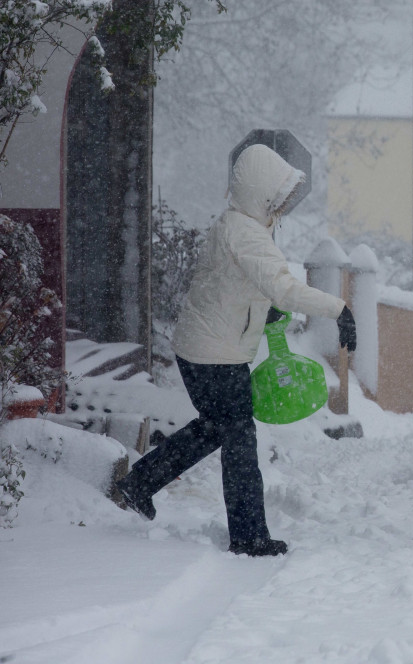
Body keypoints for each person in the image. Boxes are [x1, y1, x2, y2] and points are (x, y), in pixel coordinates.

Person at [113, 144, 357, 557]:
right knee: (239, 439)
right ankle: (248, 536)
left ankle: (140, 482)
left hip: (201, 348)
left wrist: (263, 307)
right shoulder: (246, 233)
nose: (282, 203)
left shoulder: (233, 224)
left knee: (215, 428)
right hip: (217, 356)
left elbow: (230, 282)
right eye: (277, 195)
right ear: (260, 191)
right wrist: (339, 309)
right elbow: (284, 287)